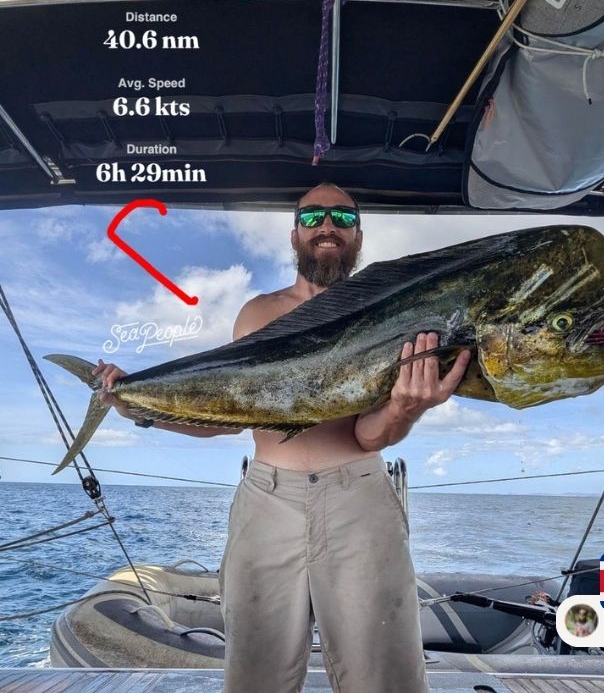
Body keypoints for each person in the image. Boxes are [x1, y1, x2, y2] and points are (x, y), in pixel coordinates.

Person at [93, 183, 470, 692]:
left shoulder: (393, 313)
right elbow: (223, 416)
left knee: (387, 678)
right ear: (294, 233)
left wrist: (405, 408)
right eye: (313, 217)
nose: (327, 226)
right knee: (255, 677)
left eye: (341, 216)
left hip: (358, 497)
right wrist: (136, 408)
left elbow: (366, 435)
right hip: (267, 501)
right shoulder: (257, 313)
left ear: (358, 233)